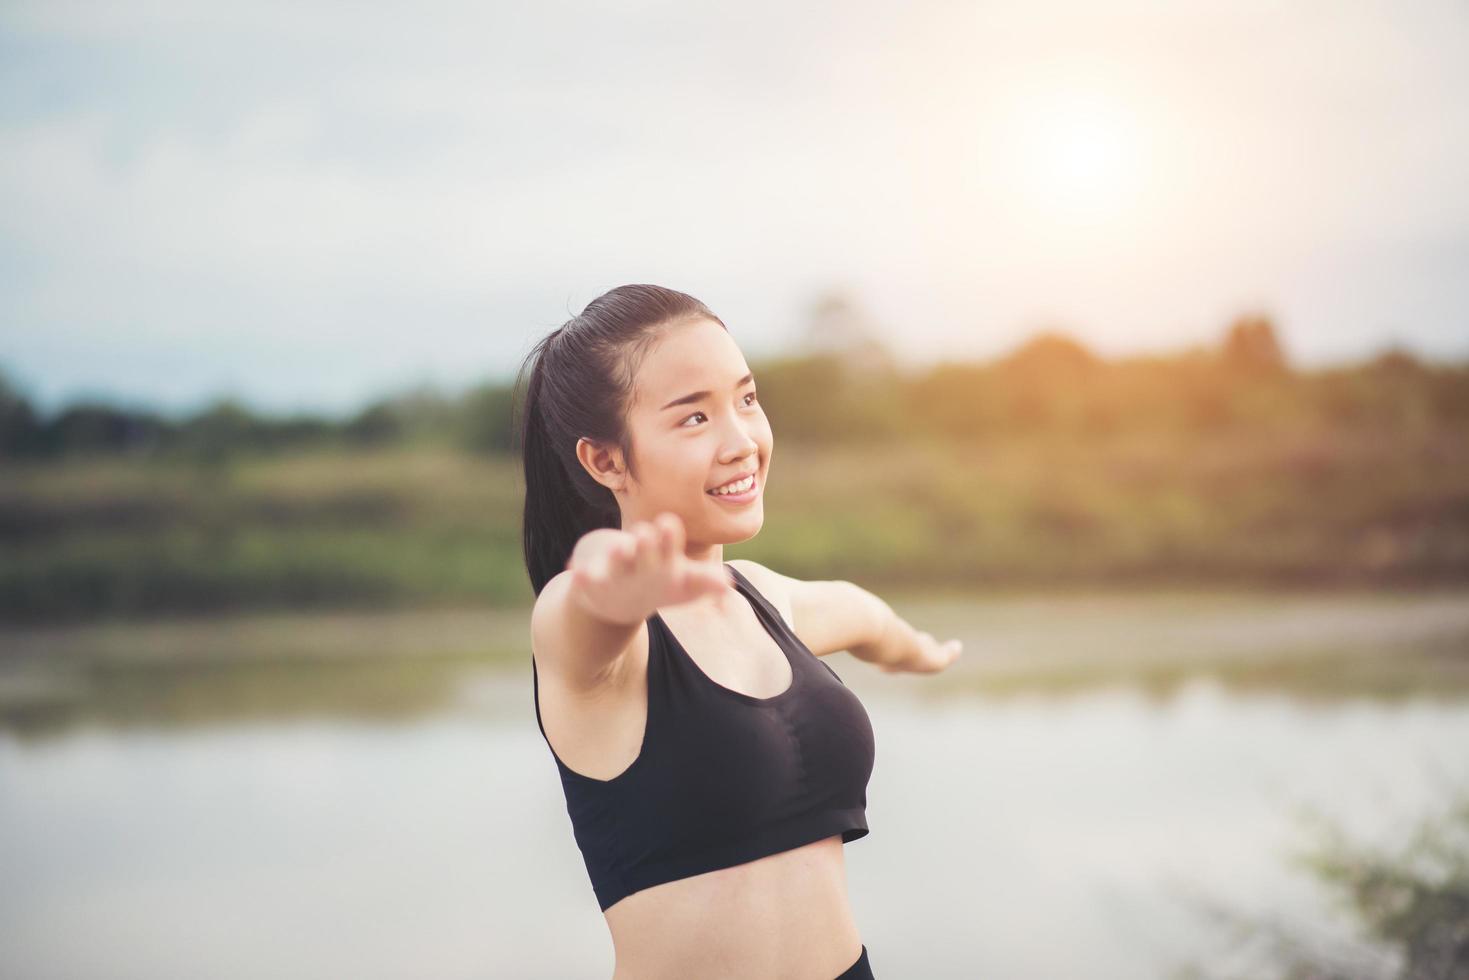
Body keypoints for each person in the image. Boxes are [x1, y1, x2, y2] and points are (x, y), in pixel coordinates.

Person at [515, 284, 962, 978]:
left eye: (745, 400)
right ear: (606, 462)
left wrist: (918, 652)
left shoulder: (766, 601)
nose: (742, 441)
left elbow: (861, 612)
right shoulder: (596, 641)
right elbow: (581, 612)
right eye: (694, 418)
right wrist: (608, 584)